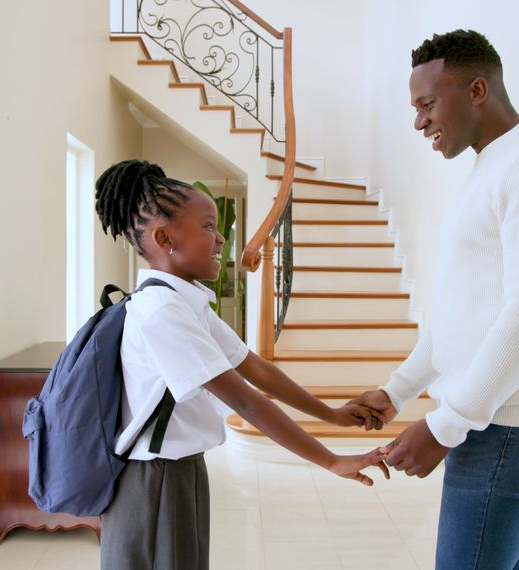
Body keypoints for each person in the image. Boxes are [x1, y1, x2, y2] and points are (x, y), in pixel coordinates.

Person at [349, 29, 519, 570]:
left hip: (512, 423)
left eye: (427, 104)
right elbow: (460, 313)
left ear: (477, 90)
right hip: (495, 416)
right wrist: (398, 391)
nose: (419, 122)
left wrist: (444, 424)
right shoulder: (495, 165)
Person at [94, 159, 389, 570]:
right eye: (208, 226)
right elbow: (247, 402)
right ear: (165, 238)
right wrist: (332, 460)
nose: (221, 239)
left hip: (178, 470)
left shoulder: (183, 301)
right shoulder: (162, 312)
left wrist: (334, 416)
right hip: (153, 481)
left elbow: (257, 369)